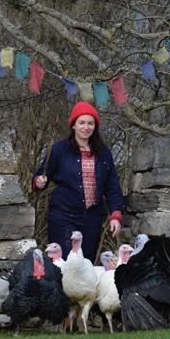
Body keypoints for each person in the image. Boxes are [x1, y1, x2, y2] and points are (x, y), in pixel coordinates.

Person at [32, 101, 123, 262]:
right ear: (73, 125)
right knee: (65, 263)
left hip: (92, 219)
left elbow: (112, 186)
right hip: (62, 217)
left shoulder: (103, 153)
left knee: (85, 265)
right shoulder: (59, 149)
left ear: (95, 126)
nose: (86, 127)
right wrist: (39, 182)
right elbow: (41, 177)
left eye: (90, 123)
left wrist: (115, 215)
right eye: (81, 122)